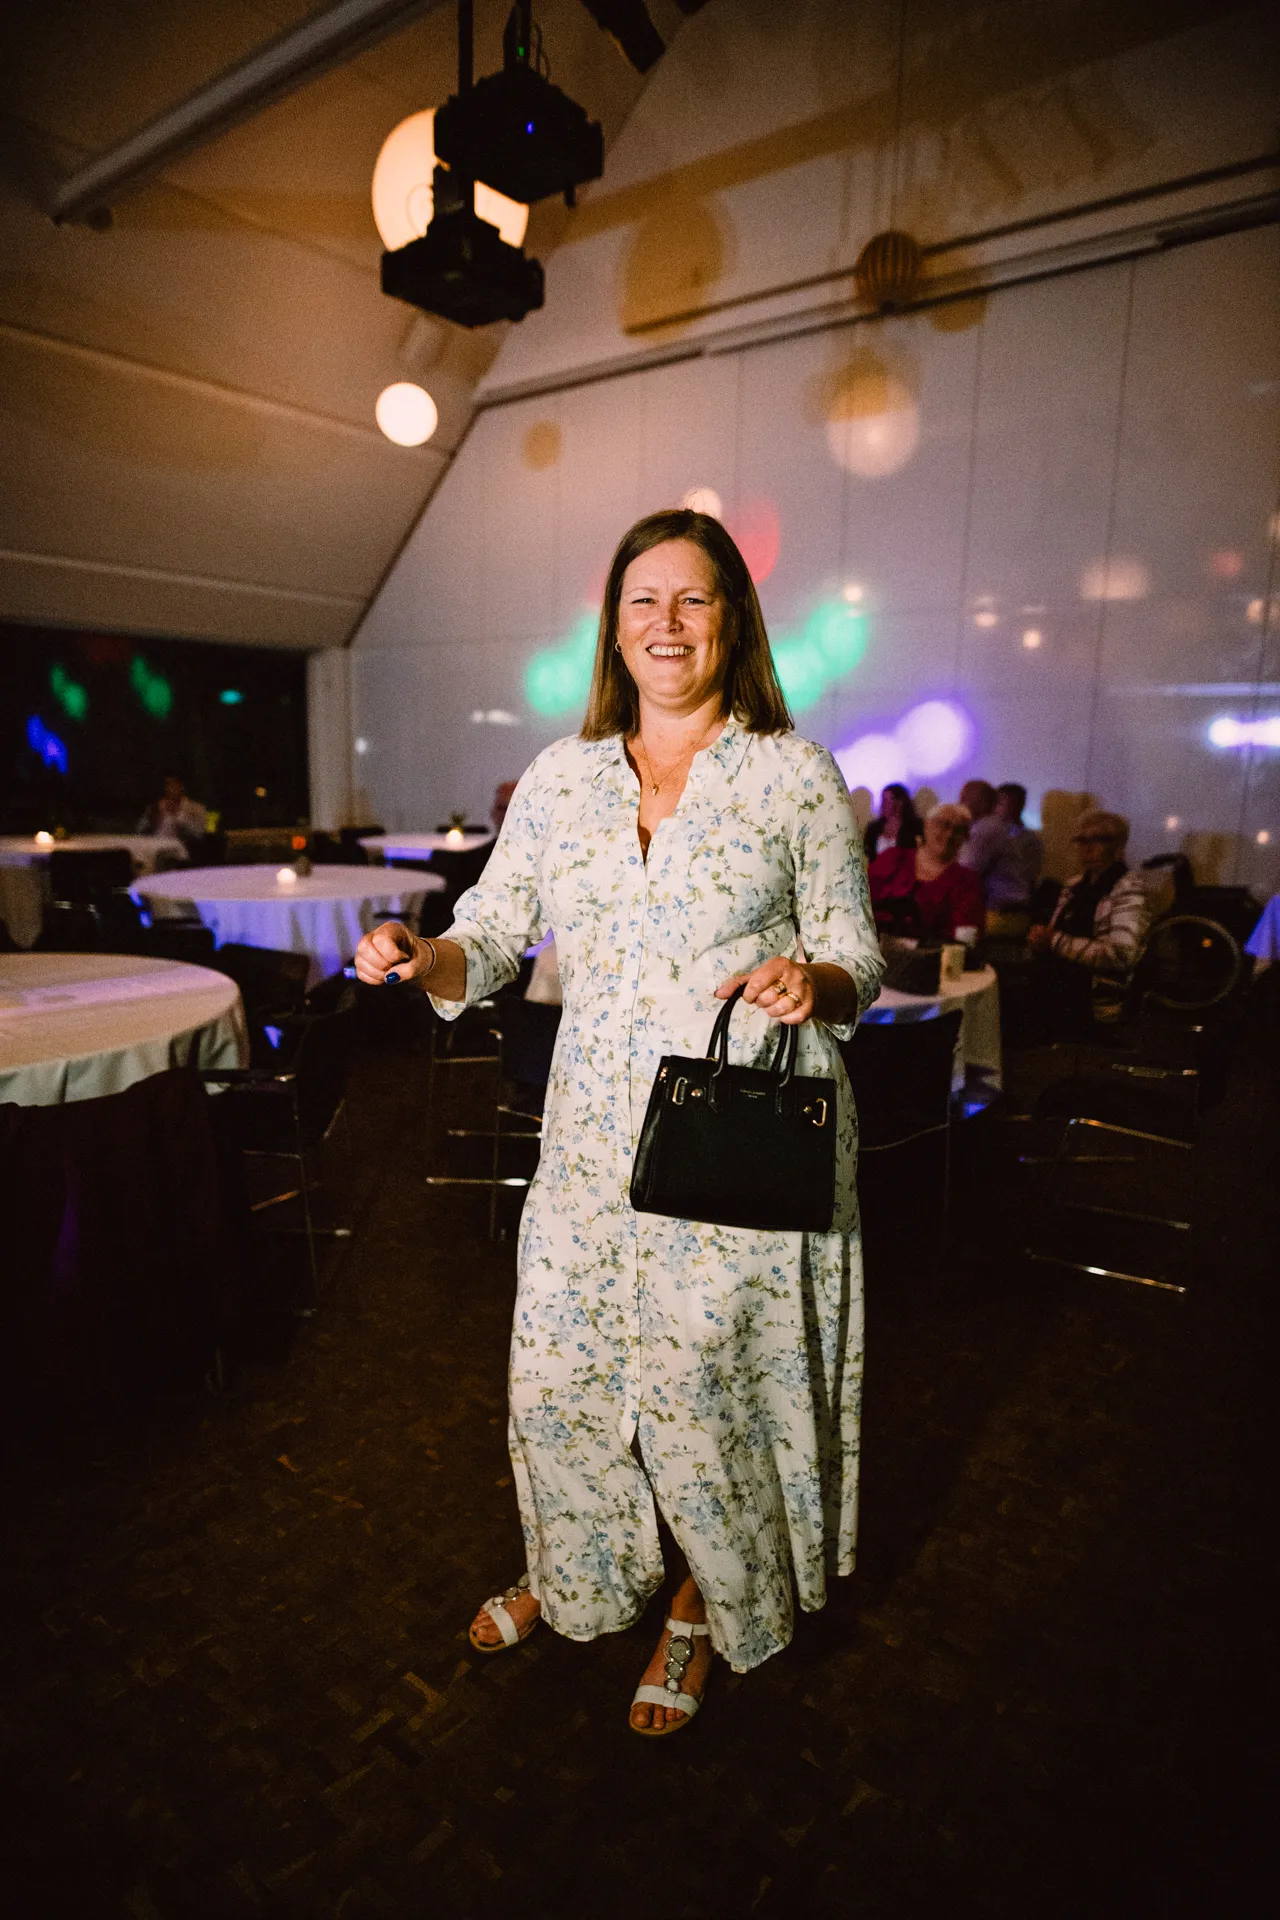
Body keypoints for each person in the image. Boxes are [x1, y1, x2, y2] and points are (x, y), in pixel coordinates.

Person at [355, 509, 884, 1737]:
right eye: (643, 599)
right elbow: (490, 936)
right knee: (560, 1375)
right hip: (591, 1135)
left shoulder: (791, 774)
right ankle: (577, 1570)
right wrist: (423, 954)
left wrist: (813, 981)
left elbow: (856, 954)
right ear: (613, 625)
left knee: (709, 1391)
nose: (666, 623)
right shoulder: (562, 776)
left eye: (693, 599)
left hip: (735, 1136)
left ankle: (702, 1602)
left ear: (731, 620)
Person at [1027, 808, 1151, 1028]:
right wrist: (1040, 940)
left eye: (1099, 839)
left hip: (1095, 996)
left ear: (1118, 845)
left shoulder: (1128, 891)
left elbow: (1121, 955)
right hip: (1057, 983)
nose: (1088, 848)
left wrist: (1054, 941)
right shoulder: (1073, 887)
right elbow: (1055, 935)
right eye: (1082, 840)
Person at [868, 801, 985, 942]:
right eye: (943, 825)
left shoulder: (967, 881)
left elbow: (964, 933)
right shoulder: (893, 858)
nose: (949, 834)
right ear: (926, 826)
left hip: (930, 952)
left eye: (959, 830)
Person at [958, 780, 1043, 920]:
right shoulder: (989, 826)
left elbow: (964, 873)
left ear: (983, 803)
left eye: (965, 799)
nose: (959, 804)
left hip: (1000, 911)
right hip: (1002, 907)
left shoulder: (986, 829)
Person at [136, 774, 207, 849]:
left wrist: (179, 818)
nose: (168, 789)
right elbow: (139, 829)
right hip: (154, 845)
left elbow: (200, 834)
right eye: (166, 785)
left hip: (180, 848)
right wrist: (150, 819)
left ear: (181, 787)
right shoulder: (156, 806)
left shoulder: (196, 808)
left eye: (172, 785)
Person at [863, 781, 922, 862]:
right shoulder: (873, 829)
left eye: (886, 801)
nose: (882, 805)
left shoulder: (914, 827)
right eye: (882, 801)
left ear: (899, 803)